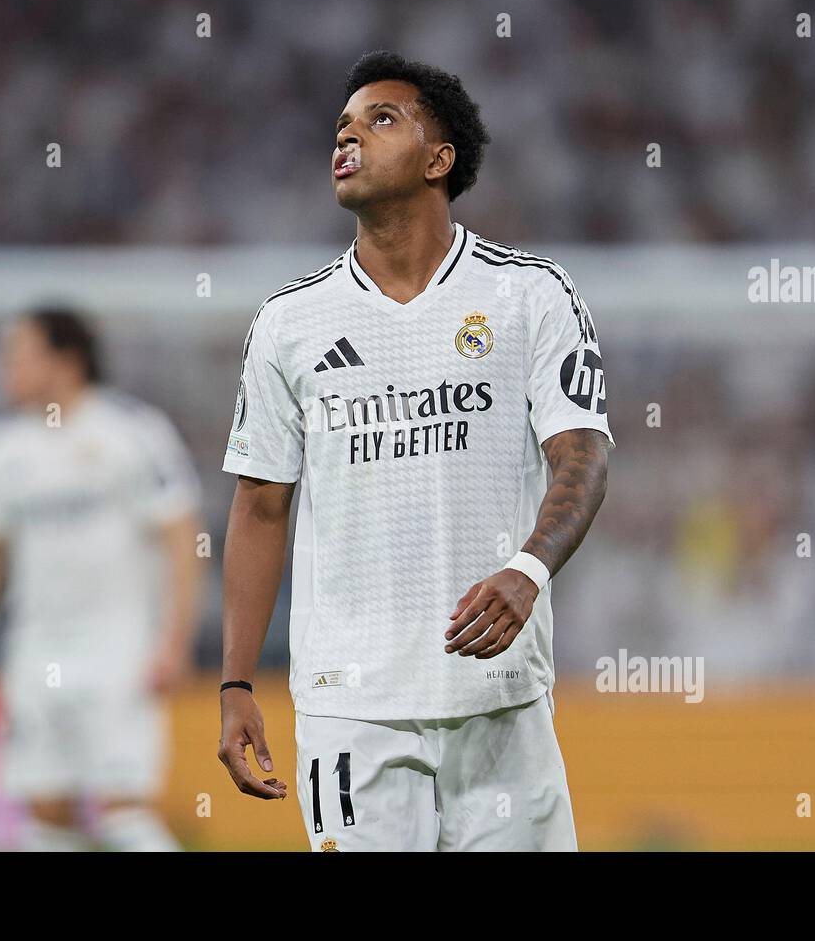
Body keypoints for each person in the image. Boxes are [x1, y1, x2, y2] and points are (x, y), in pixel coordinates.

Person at [217, 52, 612, 851]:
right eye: (342, 126)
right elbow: (260, 507)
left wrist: (528, 570)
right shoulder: (290, 323)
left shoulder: (530, 294)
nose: (348, 137)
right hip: (349, 707)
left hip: (499, 698)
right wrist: (234, 681)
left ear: (441, 159)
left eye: (380, 119)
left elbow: (583, 455)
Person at [0, 308, 202, 851]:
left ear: (66, 360)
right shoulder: (3, 449)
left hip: (118, 645)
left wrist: (175, 637)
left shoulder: (131, 431)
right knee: (46, 813)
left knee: (123, 808)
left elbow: (184, 537)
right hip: (36, 648)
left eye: (19, 353)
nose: (7, 367)